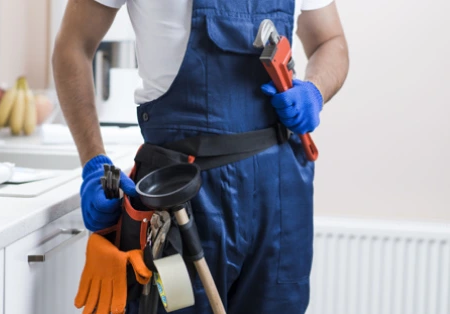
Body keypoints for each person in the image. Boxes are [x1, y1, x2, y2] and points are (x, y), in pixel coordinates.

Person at [52, 0, 349, 312]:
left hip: (280, 203)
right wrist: (94, 162)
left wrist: (315, 91)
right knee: (176, 304)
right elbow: (73, 45)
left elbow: (330, 40)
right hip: (180, 201)